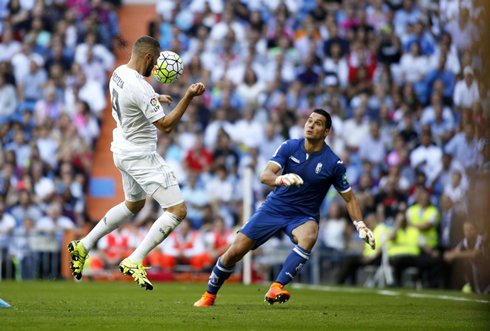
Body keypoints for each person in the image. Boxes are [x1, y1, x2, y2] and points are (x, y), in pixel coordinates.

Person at [194, 109, 375, 307]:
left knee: (310, 234)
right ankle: (209, 296)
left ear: (326, 132)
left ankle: (276, 286)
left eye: (318, 123)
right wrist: (280, 179)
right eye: (309, 121)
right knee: (235, 252)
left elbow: (349, 198)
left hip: (303, 215)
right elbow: (265, 176)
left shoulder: (334, 163)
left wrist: (360, 226)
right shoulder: (290, 146)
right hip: (275, 207)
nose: (311, 125)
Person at [67, 36, 206, 290]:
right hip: (140, 155)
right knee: (177, 211)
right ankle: (135, 259)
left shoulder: (118, 73)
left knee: (134, 204)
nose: (154, 71)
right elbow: (165, 126)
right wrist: (188, 96)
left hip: (121, 148)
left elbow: (135, 96)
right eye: (154, 65)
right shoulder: (140, 87)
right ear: (149, 57)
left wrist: (155, 97)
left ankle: (83, 245)